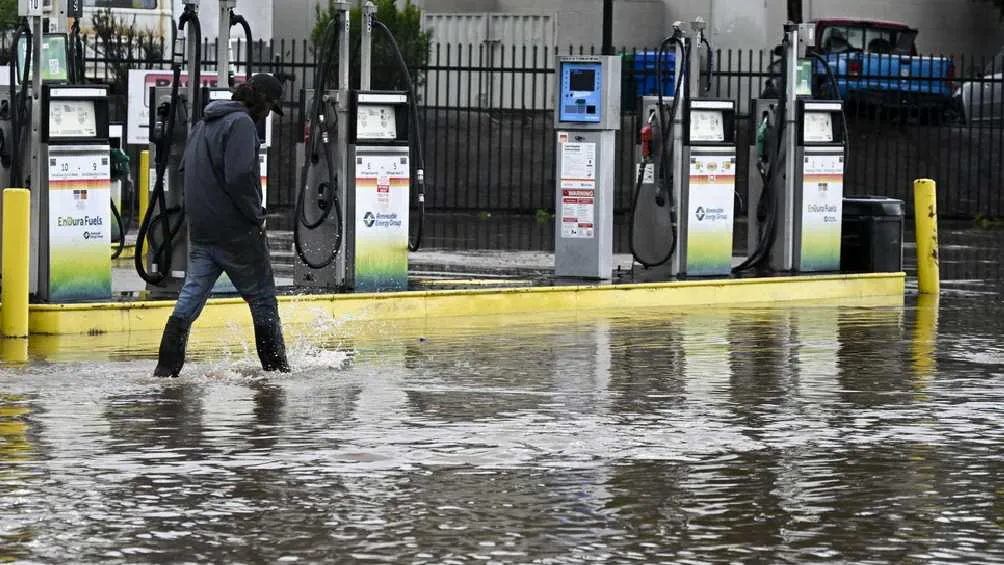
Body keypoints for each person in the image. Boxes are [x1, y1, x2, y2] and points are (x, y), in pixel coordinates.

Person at [154, 74, 290, 377]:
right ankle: (276, 374)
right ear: (262, 102)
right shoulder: (241, 124)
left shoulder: (203, 125)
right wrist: (256, 215)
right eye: (270, 108)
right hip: (237, 232)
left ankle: (165, 372)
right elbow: (240, 176)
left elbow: (186, 171)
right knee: (263, 298)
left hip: (203, 232)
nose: (267, 115)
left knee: (189, 300)